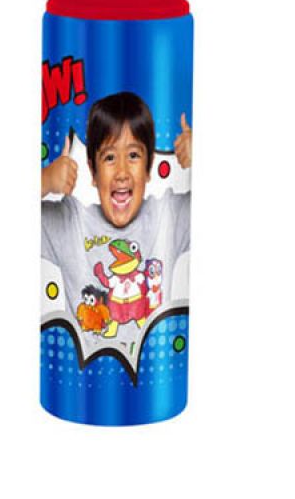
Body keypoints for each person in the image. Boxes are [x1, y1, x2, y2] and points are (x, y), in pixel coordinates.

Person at [41, 92, 191, 340]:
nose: (122, 172)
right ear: (93, 171)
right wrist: (45, 180)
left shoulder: (167, 217)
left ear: (148, 167)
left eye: (133, 156)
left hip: (153, 362)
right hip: (86, 364)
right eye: (109, 157)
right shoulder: (71, 224)